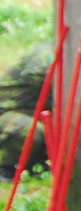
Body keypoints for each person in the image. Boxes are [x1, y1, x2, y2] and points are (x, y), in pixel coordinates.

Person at [0, 41, 52, 171]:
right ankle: (4, 166)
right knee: (28, 130)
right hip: (8, 116)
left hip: (35, 115)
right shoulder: (45, 59)